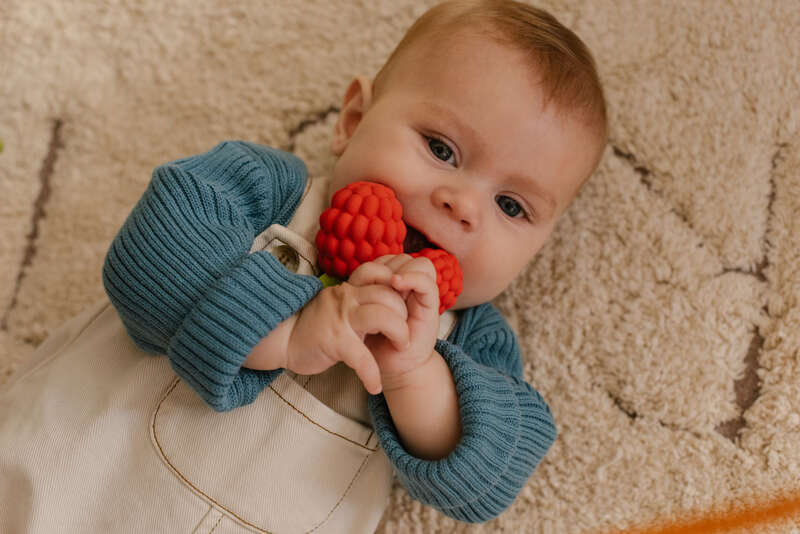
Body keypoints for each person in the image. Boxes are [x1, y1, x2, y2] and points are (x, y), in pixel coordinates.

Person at [0, 1, 607, 532]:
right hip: (64, 477)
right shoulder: (267, 189)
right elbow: (151, 252)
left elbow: (493, 477)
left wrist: (415, 374)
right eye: (441, 149)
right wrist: (292, 328)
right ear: (352, 121)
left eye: (511, 206)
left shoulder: (471, 345)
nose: (462, 204)